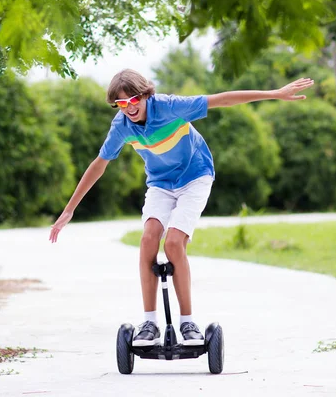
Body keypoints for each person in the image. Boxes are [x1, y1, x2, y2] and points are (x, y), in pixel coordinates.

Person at [49, 69, 314, 347]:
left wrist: (274, 94)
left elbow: (221, 100)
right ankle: (149, 322)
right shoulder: (121, 127)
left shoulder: (169, 107)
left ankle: (187, 322)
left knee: (174, 243)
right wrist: (69, 210)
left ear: (146, 95)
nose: (128, 108)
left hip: (195, 177)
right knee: (149, 239)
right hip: (161, 184)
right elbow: (99, 164)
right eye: (121, 104)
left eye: (133, 101)